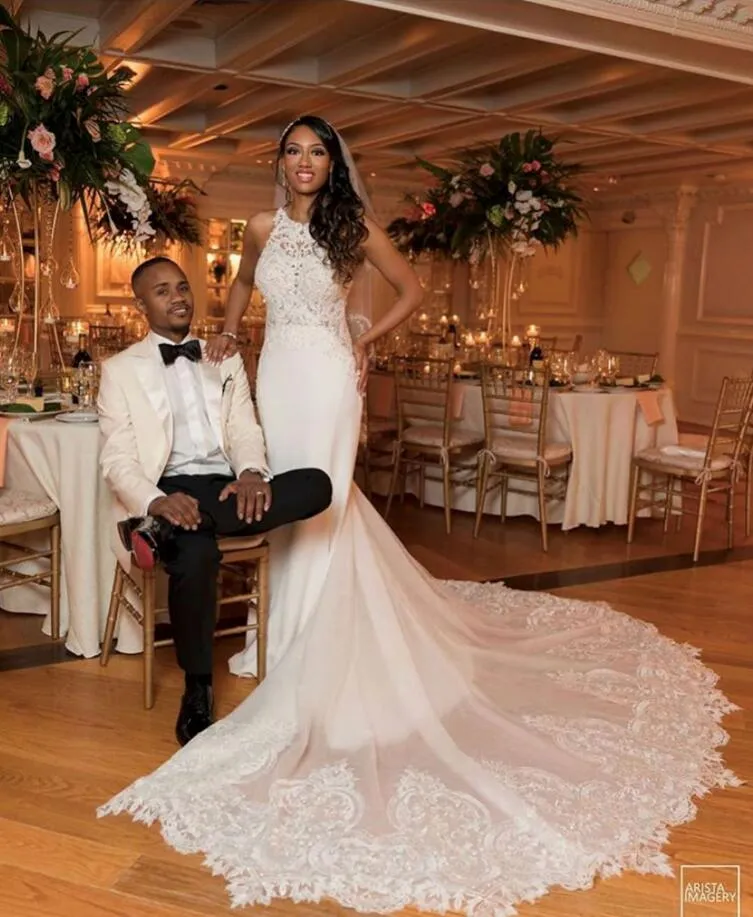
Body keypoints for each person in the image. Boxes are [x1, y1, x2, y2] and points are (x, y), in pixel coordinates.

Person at [99, 118, 739, 917]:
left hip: (327, 374)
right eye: (293, 151)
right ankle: (277, 629)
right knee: (283, 496)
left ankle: (318, 640)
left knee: (323, 496)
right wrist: (230, 328)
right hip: (277, 374)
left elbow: (411, 290)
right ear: (280, 163)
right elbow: (241, 284)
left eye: (317, 152)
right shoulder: (260, 225)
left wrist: (361, 335)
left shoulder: (351, 226)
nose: (304, 162)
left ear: (332, 164)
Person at [97, 256, 332, 746]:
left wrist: (250, 473)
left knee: (317, 484)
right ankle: (197, 688)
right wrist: (157, 502)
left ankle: (163, 533)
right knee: (197, 553)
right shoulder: (119, 371)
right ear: (141, 306)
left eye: (182, 287)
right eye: (162, 291)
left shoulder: (223, 357)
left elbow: (244, 428)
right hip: (168, 487)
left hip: (225, 488)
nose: (178, 297)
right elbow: (117, 459)